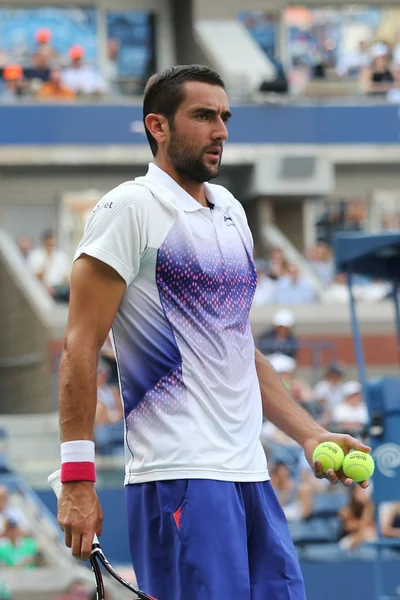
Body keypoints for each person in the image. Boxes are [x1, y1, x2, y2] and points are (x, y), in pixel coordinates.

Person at [56, 64, 371, 600]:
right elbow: (79, 348)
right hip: (179, 474)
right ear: (158, 126)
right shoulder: (127, 208)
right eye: (203, 116)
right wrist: (77, 478)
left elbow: (238, 349)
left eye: (224, 116)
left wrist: (310, 433)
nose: (220, 129)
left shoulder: (231, 211)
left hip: (249, 473)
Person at [28, 229, 70, 301]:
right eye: (49, 244)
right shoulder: (36, 255)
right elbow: (35, 277)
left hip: (59, 290)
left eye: (53, 244)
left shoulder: (61, 255)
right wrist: (47, 260)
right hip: (42, 289)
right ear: (44, 242)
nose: (51, 247)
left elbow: (66, 277)